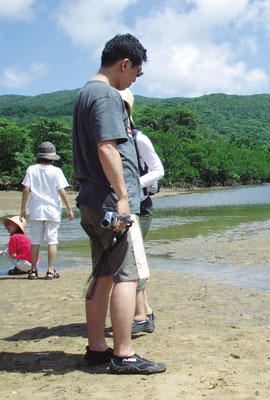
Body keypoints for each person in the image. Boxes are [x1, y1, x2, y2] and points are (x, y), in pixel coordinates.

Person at [72, 33, 165, 374]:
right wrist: (124, 197)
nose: (134, 81)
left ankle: (97, 348)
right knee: (127, 276)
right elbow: (107, 148)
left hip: (92, 199)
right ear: (124, 64)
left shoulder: (84, 94)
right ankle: (124, 354)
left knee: (103, 274)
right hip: (112, 202)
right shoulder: (107, 94)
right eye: (135, 74)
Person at [118, 88, 164, 334]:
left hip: (140, 207)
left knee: (133, 259)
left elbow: (158, 170)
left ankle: (142, 314)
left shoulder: (138, 139)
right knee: (132, 259)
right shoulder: (110, 138)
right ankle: (144, 313)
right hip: (121, 207)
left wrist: (132, 185)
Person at [20, 141, 74, 280]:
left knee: (35, 241)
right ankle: (50, 271)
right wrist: (69, 208)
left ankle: (33, 271)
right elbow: (61, 191)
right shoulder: (56, 171)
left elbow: (26, 189)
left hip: (36, 209)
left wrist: (23, 209)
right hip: (52, 210)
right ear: (52, 158)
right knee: (52, 240)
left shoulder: (31, 169)